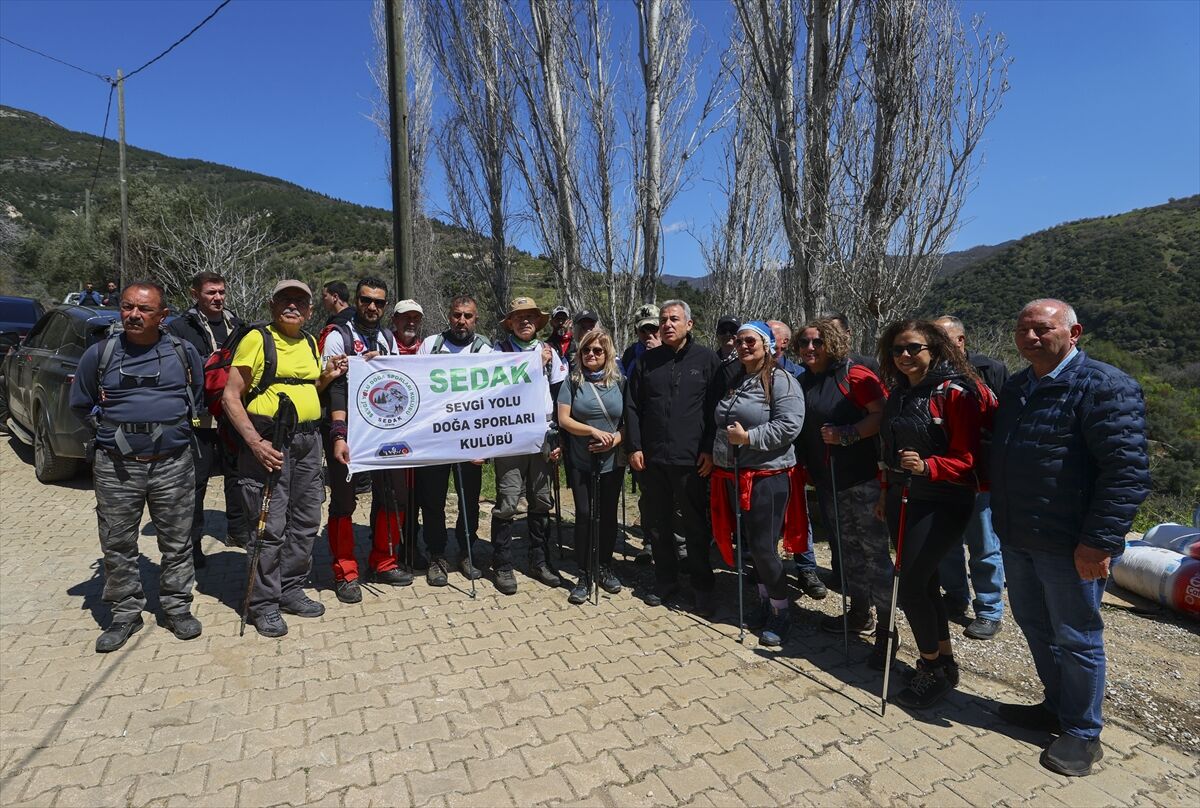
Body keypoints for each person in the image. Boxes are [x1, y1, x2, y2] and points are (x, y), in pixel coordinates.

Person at [991, 299, 1149, 777]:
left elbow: (1126, 472)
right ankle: (1055, 707)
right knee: (1036, 626)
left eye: (1042, 328)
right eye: (1023, 329)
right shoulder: (1018, 387)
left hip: (1071, 544)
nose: (1030, 337)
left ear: (1073, 331)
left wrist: (1099, 541)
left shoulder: (1104, 386)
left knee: (1077, 637)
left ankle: (1083, 732)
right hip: (1018, 536)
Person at [70, 281, 205, 652]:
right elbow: (79, 404)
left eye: (144, 309)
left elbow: (197, 397)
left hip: (173, 464)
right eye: (127, 307)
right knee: (117, 543)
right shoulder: (99, 353)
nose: (133, 315)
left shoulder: (183, 352)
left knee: (177, 543)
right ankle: (125, 615)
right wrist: (111, 436)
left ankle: (177, 608)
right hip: (117, 468)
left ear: (163, 316)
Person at [875, 318, 991, 709]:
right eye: (897, 350)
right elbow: (889, 452)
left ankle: (931, 667)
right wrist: (885, 493)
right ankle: (941, 663)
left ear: (934, 349)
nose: (905, 356)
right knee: (923, 583)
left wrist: (930, 467)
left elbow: (970, 459)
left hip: (943, 499)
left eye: (914, 348)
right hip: (903, 497)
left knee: (909, 585)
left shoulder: (956, 394)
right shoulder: (898, 394)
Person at [223, 280, 344, 638]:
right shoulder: (257, 340)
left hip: (309, 440)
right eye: (285, 300)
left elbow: (308, 387)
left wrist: (328, 376)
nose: (293, 307)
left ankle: (290, 588)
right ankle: (263, 604)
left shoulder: (308, 342)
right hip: (270, 441)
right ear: (273, 305)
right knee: (269, 526)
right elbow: (232, 397)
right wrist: (255, 443)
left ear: (309, 310)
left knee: (307, 519)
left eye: (300, 302)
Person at [795, 319, 894, 663]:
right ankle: (859, 613)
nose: (810, 348)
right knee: (847, 554)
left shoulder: (856, 375)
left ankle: (887, 630)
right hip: (826, 481)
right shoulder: (801, 381)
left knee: (875, 558)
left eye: (817, 342)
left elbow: (881, 415)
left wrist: (848, 433)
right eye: (804, 343)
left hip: (862, 479)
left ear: (833, 342)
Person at [625, 300, 722, 613]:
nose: (667, 324)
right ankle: (665, 581)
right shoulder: (646, 362)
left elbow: (716, 409)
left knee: (695, 526)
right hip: (652, 458)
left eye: (674, 319)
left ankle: (702, 586)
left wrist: (709, 448)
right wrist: (635, 447)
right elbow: (633, 408)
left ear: (689, 325)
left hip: (692, 459)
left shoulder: (707, 360)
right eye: (664, 319)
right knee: (658, 525)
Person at [711, 322, 804, 645]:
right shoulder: (738, 380)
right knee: (754, 548)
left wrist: (749, 437)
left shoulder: (782, 381)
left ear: (767, 345)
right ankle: (765, 603)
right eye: (739, 341)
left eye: (750, 340)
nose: (743, 346)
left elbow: (790, 425)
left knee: (765, 548)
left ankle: (782, 612)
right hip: (738, 475)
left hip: (768, 476)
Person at [323, 278, 413, 604]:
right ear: (356, 301)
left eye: (379, 302)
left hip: (383, 431)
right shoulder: (338, 336)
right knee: (345, 501)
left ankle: (383, 561)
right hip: (345, 431)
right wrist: (338, 435)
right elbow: (329, 386)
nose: (372, 307)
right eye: (366, 300)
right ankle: (345, 571)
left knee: (393, 495)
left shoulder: (388, 338)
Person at [932, 315, 1009, 640]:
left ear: (961, 341)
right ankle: (955, 597)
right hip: (940, 476)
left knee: (983, 546)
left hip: (980, 477)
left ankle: (989, 610)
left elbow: (1003, 424)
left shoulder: (989, 370)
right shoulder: (927, 375)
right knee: (946, 543)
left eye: (945, 340)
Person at [167, 271, 249, 569]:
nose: (217, 298)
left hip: (232, 416)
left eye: (221, 292)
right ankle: (192, 545)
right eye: (211, 293)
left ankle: (238, 532)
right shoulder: (179, 327)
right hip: (199, 420)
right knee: (196, 484)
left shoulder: (237, 325)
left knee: (237, 476)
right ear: (195, 294)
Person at [491, 296, 568, 594]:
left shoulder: (549, 352)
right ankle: (503, 564)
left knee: (541, 499)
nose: (525, 321)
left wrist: (559, 437)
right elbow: (489, 390)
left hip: (543, 434)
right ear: (509, 321)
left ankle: (539, 561)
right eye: (518, 316)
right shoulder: (496, 351)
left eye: (530, 316)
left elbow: (560, 396)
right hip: (509, 437)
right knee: (508, 501)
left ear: (538, 321)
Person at [417, 295, 493, 585]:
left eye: (468, 316)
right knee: (433, 500)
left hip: (470, 437)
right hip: (435, 438)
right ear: (449, 315)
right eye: (457, 315)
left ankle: (466, 550)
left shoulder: (484, 350)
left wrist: (486, 443)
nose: (462, 321)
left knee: (468, 499)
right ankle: (437, 554)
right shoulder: (430, 345)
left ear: (476, 319)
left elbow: (494, 398)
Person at [556, 328, 626, 604]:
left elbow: (628, 421)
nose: (591, 355)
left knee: (607, 516)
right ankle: (584, 575)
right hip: (581, 461)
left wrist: (616, 439)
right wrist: (591, 432)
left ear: (607, 353)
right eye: (586, 350)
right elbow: (564, 419)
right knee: (585, 515)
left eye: (597, 350)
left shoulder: (620, 381)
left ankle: (605, 567)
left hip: (612, 460)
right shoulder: (572, 381)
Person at [767, 319, 824, 600]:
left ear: (785, 343)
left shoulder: (799, 375)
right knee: (768, 517)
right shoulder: (751, 372)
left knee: (799, 515)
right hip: (765, 461)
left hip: (796, 457)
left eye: (772, 335)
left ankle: (806, 568)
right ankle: (766, 567)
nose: (766, 340)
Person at [620, 304, 661, 375]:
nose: (649, 334)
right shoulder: (630, 353)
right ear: (636, 331)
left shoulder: (672, 352)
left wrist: (660, 354)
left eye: (653, 328)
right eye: (643, 330)